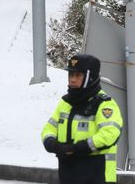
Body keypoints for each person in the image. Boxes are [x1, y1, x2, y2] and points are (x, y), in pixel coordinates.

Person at [41, 53, 123, 184]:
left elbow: (110, 134)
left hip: (97, 176)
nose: (72, 80)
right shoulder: (65, 103)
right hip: (68, 175)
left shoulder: (105, 104)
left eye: (78, 75)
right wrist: (54, 145)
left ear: (90, 78)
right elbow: (49, 128)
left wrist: (78, 148)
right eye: (71, 75)